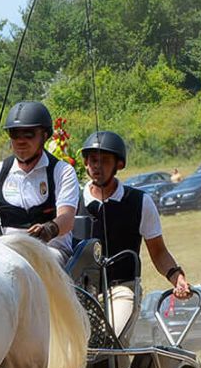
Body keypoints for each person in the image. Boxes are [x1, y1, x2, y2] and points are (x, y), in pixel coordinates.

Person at [69, 130, 193, 338]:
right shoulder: (71, 202)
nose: (97, 166)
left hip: (122, 289)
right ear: (85, 163)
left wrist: (176, 277)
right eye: (92, 160)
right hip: (78, 291)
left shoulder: (139, 202)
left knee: (112, 338)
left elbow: (159, 252)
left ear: (119, 164)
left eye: (104, 160)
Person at [0, 101, 80, 258]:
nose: (21, 141)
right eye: (14, 134)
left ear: (44, 135)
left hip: (52, 254)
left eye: (29, 134)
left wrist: (48, 229)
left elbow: (67, 219)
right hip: (8, 255)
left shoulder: (62, 172)